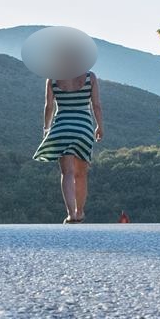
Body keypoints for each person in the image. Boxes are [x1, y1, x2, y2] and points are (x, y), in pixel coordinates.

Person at [33, 68, 102, 222]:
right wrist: (99, 126)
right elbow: (96, 105)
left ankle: (71, 214)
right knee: (81, 174)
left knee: (67, 173)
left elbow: (48, 106)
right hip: (83, 127)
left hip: (62, 127)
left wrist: (46, 128)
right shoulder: (90, 77)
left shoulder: (53, 78)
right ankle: (80, 212)